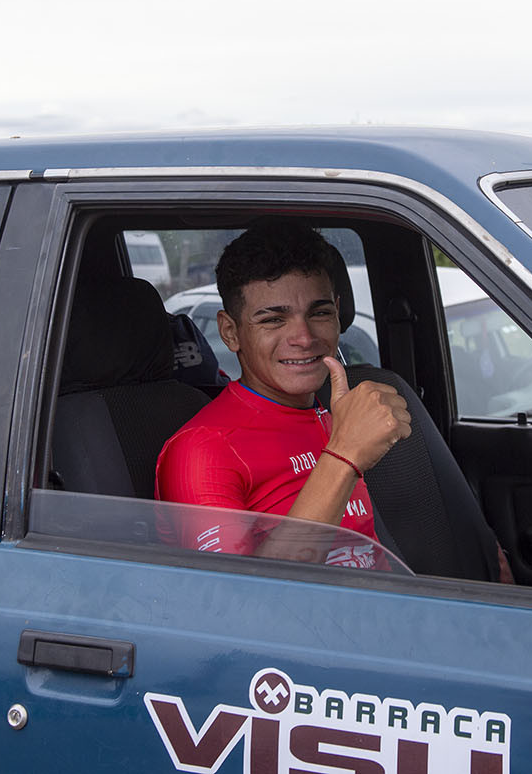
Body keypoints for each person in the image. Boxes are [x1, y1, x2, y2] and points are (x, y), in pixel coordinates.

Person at [155, 219, 411, 567]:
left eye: (320, 313)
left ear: (338, 315)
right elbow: (239, 595)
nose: (304, 338)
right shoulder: (203, 450)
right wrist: (344, 455)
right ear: (230, 332)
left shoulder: (335, 413)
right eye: (273, 320)